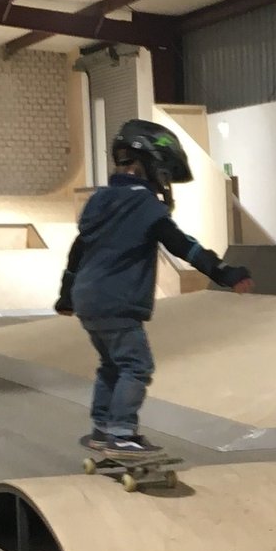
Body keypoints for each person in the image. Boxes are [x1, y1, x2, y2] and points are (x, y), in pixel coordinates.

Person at [54, 118, 254, 454]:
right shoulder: (144, 205)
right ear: (149, 166)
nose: (165, 183)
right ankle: (123, 434)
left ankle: (102, 429)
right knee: (137, 365)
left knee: (112, 365)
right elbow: (182, 244)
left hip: (88, 300)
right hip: (117, 300)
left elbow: (78, 248)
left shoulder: (100, 200)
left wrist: (66, 293)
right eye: (164, 174)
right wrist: (224, 273)